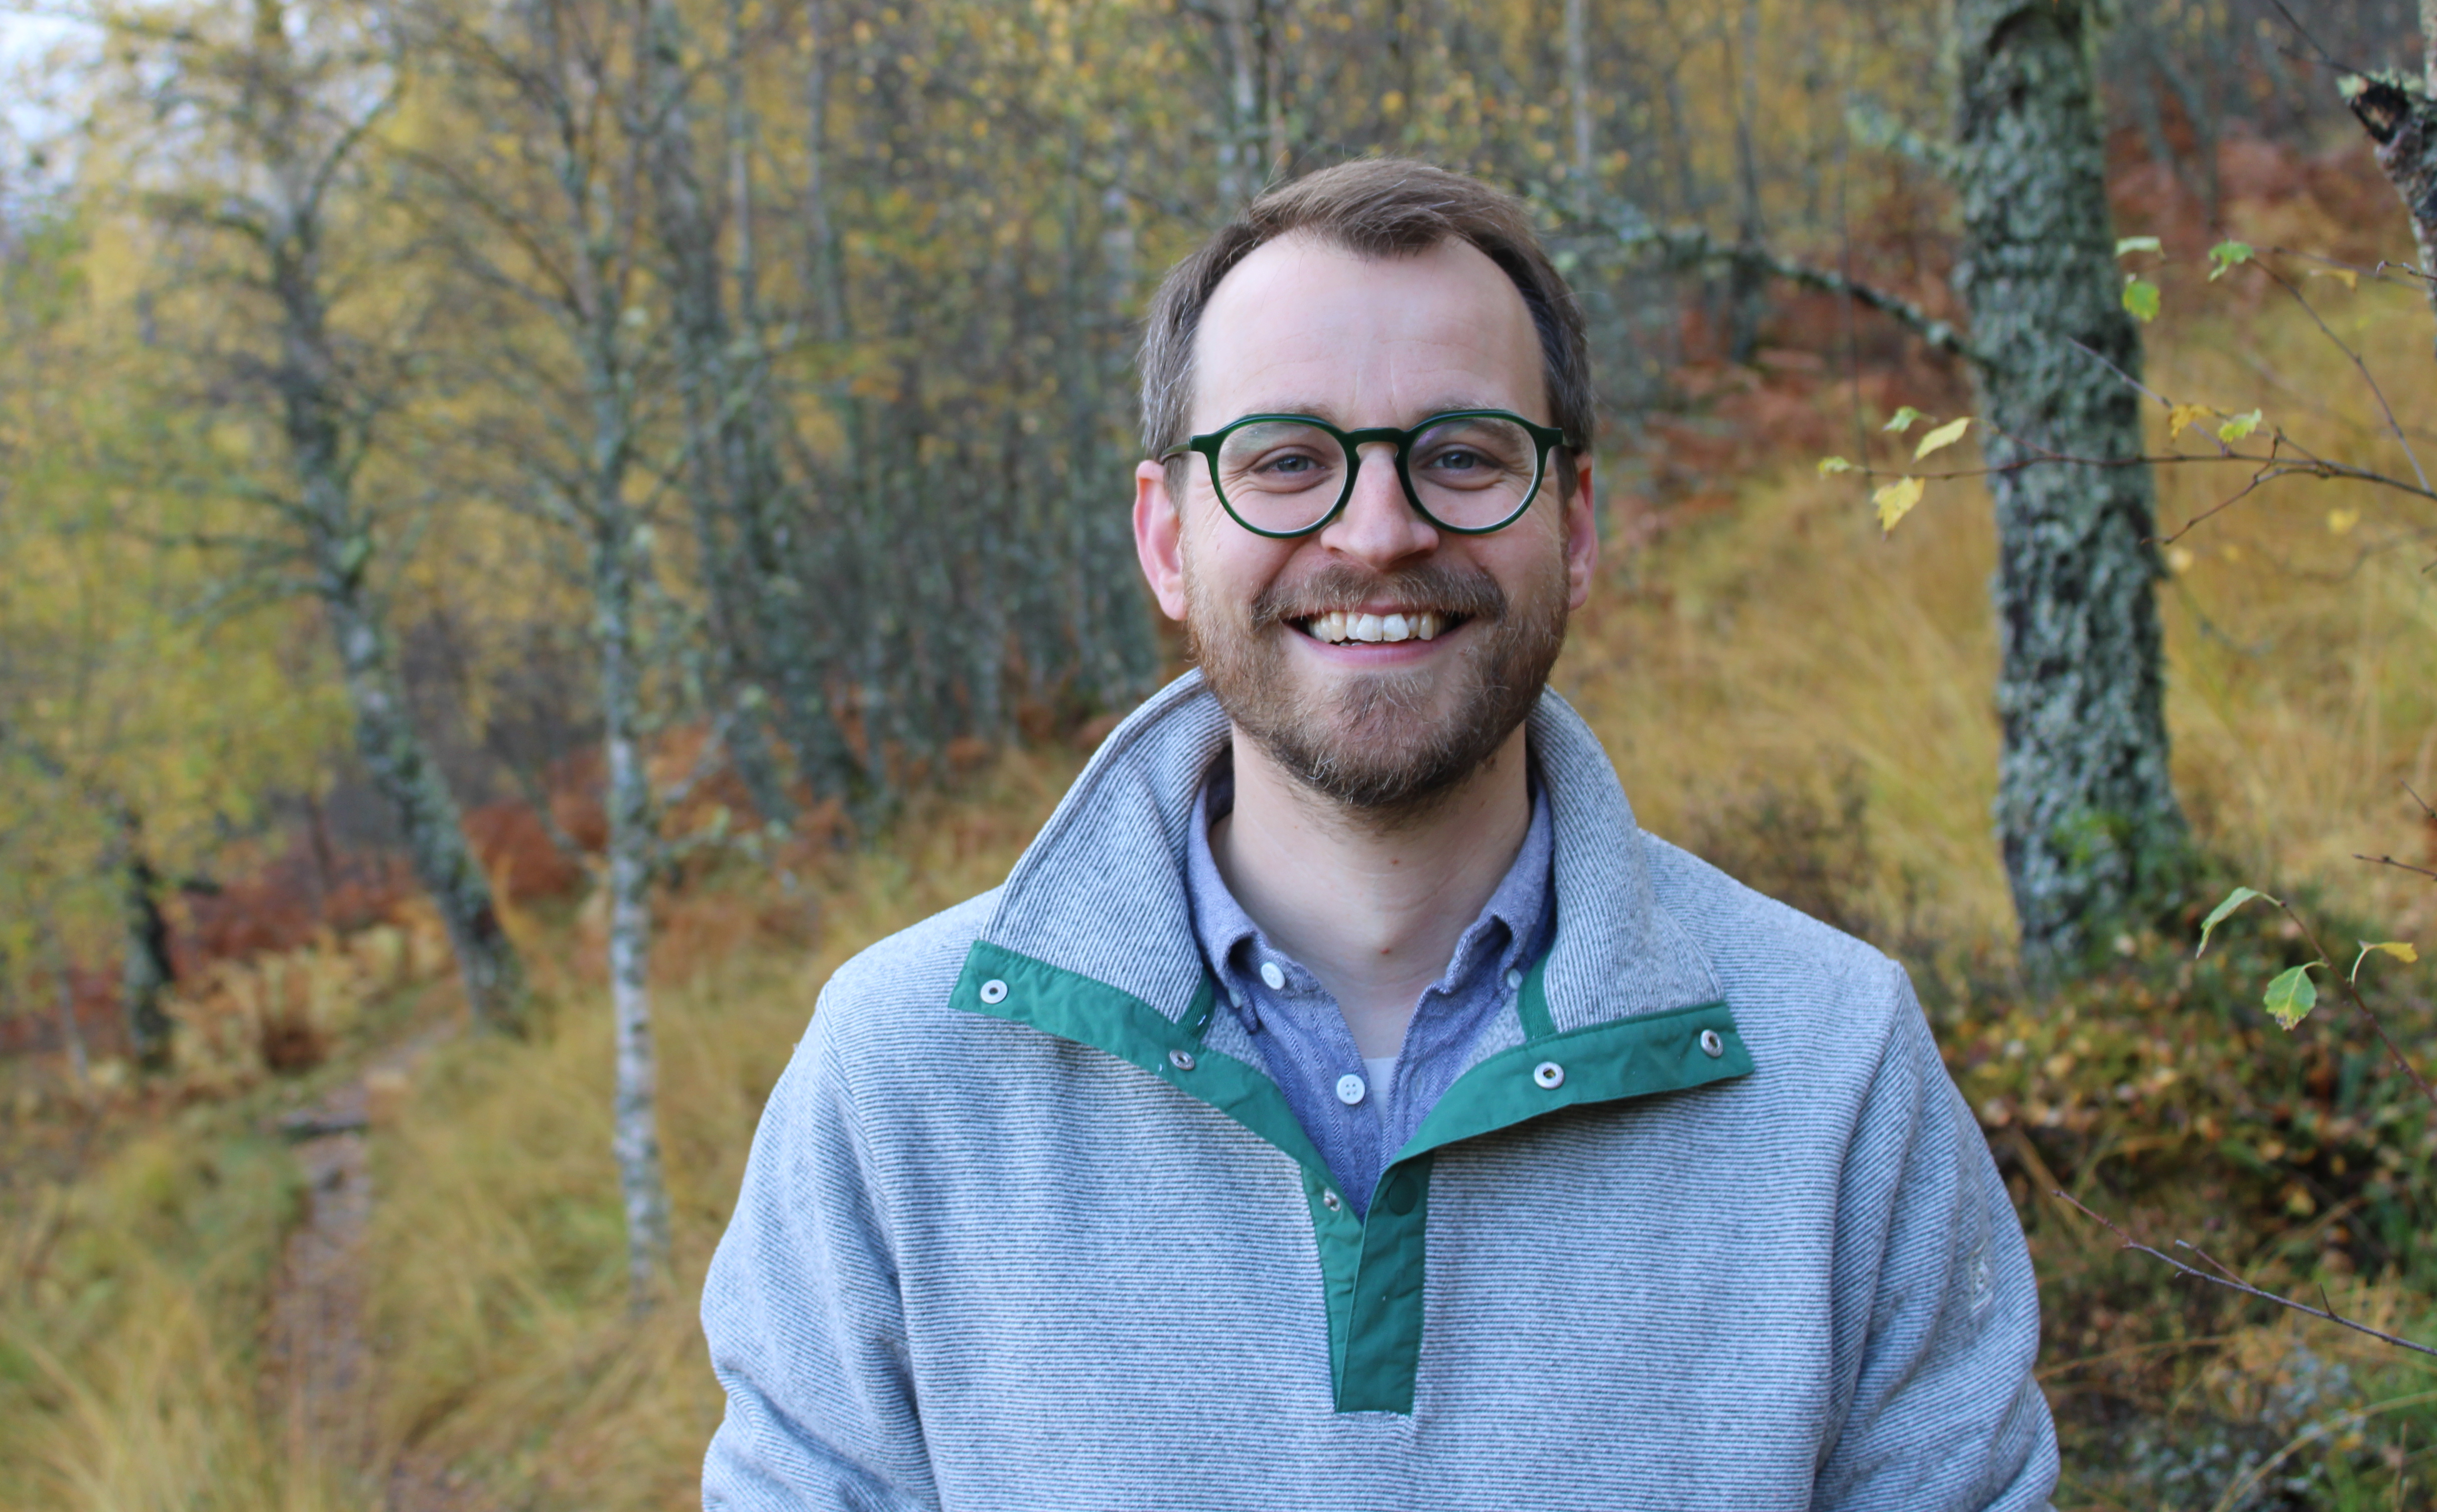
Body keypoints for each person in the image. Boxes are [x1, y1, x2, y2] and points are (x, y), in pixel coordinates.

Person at [701, 159, 2057, 1509]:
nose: (1380, 530)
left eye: (1463, 456)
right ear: (1167, 537)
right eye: (1287, 461)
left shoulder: (1834, 1065)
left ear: (1574, 525)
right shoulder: (898, 1083)